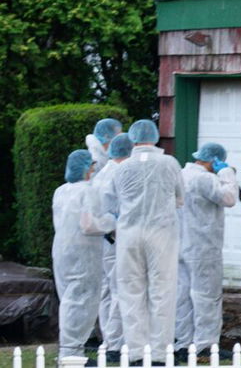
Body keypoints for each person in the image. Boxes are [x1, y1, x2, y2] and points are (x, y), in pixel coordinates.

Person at [113, 119, 184, 363]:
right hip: (161, 232)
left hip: (128, 234)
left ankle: (135, 352)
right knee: (162, 290)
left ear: (132, 138)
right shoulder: (169, 163)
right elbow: (180, 198)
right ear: (155, 137)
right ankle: (159, 354)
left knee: (131, 291)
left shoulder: (121, 167)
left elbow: (114, 202)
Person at [176, 142, 238, 358]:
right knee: (207, 296)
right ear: (213, 161)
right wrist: (226, 173)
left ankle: (183, 344)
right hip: (203, 245)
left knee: (182, 295)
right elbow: (229, 198)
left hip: (181, 244)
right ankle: (205, 345)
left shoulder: (181, 175)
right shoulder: (205, 178)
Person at [83, 133, 133, 363]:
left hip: (103, 242)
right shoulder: (119, 174)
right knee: (118, 291)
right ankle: (114, 345)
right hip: (115, 240)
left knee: (106, 292)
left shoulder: (103, 173)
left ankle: (108, 340)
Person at [53, 149, 103, 359]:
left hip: (62, 250)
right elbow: (89, 225)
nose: (93, 169)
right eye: (91, 166)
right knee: (81, 303)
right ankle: (72, 355)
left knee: (68, 300)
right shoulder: (88, 191)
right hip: (84, 253)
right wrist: (112, 221)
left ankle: (70, 351)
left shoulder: (61, 190)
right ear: (85, 169)